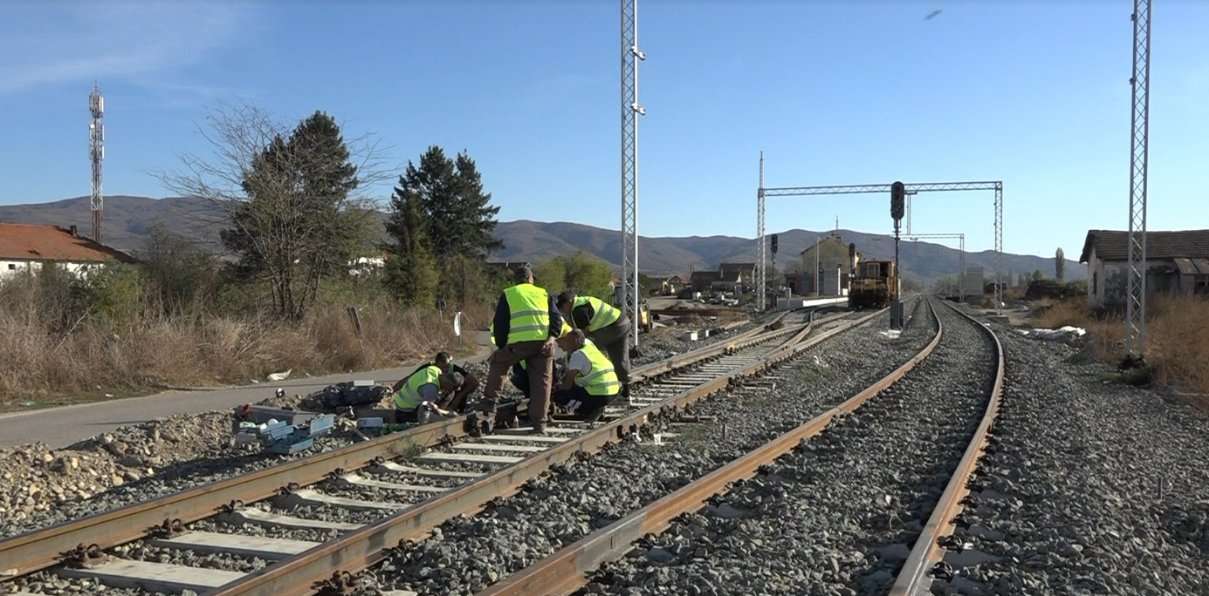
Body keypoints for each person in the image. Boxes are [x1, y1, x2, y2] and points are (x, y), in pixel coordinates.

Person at [481, 265, 563, 433]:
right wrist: (552, 337)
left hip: (518, 344)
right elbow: (556, 319)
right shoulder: (543, 294)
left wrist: (502, 347)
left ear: (515, 280)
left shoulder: (509, 293)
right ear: (531, 278)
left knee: (498, 363)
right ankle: (540, 424)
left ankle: (489, 410)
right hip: (543, 344)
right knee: (542, 383)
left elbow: (500, 323)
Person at [556, 291, 632, 398]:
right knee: (620, 358)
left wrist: (571, 356)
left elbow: (581, 337)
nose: (562, 310)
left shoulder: (578, 310)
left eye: (562, 307)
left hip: (611, 328)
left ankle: (583, 380)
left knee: (587, 350)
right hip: (623, 322)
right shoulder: (584, 301)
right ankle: (626, 391)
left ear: (568, 302)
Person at [550, 329, 620, 423]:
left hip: (600, 394)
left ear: (574, 342)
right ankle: (596, 407)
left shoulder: (577, 355)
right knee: (576, 388)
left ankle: (588, 411)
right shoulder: (588, 345)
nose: (560, 346)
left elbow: (567, 385)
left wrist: (553, 389)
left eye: (565, 341)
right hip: (613, 390)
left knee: (560, 396)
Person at [390, 364, 462, 424]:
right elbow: (427, 411)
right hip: (406, 412)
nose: (450, 390)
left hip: (401, 402)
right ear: (448, 383)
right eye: (453, 388)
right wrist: (447, 414)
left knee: (448, 395)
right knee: (435, 419)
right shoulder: (431, 389)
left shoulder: (434, 369)